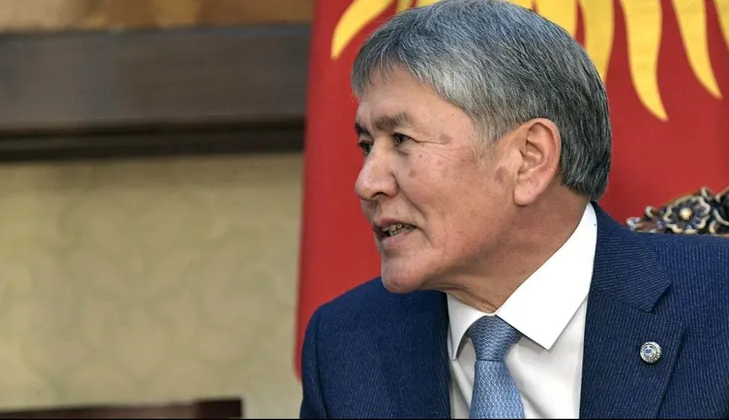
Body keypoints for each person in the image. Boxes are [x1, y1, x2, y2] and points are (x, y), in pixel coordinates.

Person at [299, 0, 729, 418]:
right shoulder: (347, 344)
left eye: (401, 140)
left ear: (529, 158)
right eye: (367, 146)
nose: (366, 184)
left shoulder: (718, 304)